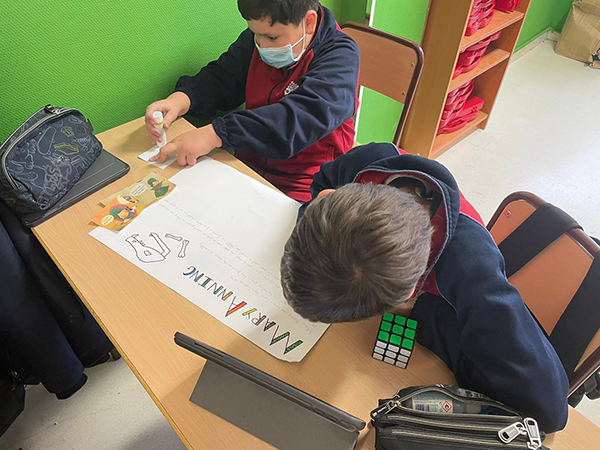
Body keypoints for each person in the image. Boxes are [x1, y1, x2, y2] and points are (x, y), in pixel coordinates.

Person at [279, 142, 570, 433]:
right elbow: (321, 184)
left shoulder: (472, 266)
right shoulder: (370, 162)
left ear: (409, 293)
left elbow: (549, 411)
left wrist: (423, 310)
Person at [145, 0, 360, 202]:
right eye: (255, 34)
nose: (262, 46)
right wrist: (182, 98)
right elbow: (224, 77)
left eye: (272, 38)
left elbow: (296, 122)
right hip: (247, 165)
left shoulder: (341, 57)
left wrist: (217, 134)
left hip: (306, 182)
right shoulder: (261, 37)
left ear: (309, 22)